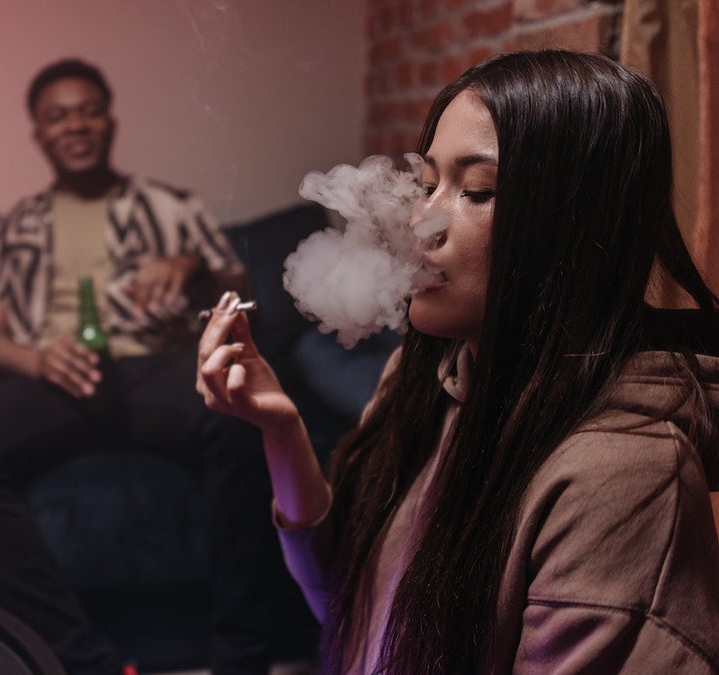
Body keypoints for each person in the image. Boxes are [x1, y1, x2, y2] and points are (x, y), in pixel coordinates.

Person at [197, 50, 719, 673]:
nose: (423, 223)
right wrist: (279, 427)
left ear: (575, 228)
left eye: (476, 191)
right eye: (426, 186)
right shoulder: (429, 381)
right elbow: (349, 611)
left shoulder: (623, 476)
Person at [0, 58, 281, 674]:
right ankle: (84, 663)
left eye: (88, 110)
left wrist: (191, 267)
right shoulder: (13, 225)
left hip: (153, 367)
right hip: (55, 377)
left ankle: (242, 656)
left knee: (242, 416)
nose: (76, 125)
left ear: (110, 120)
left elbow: (244, 298)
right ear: (38, 133)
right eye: (58, 116)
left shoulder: (172, 207)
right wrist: (36, 357)